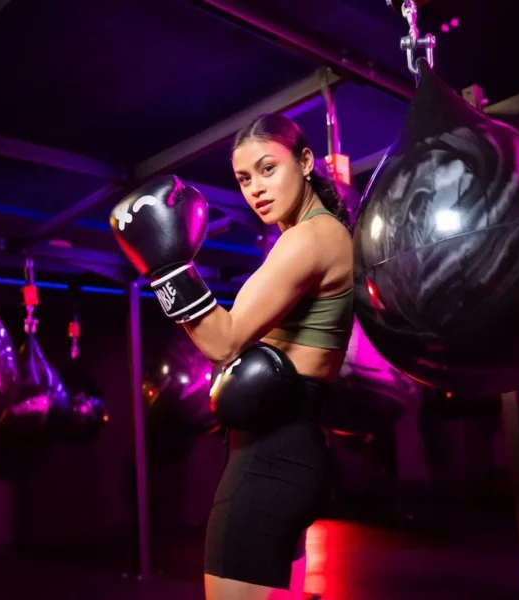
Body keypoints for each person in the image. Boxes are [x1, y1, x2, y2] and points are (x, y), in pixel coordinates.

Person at [109, 112, 354, 600]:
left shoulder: (308, 239)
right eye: (244, 179)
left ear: (305, 162)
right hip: (288, 451)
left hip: (271, 457)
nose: (255, 189)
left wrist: (167, 267)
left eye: (268, 169)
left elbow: (223, 341)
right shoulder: (315, 237)